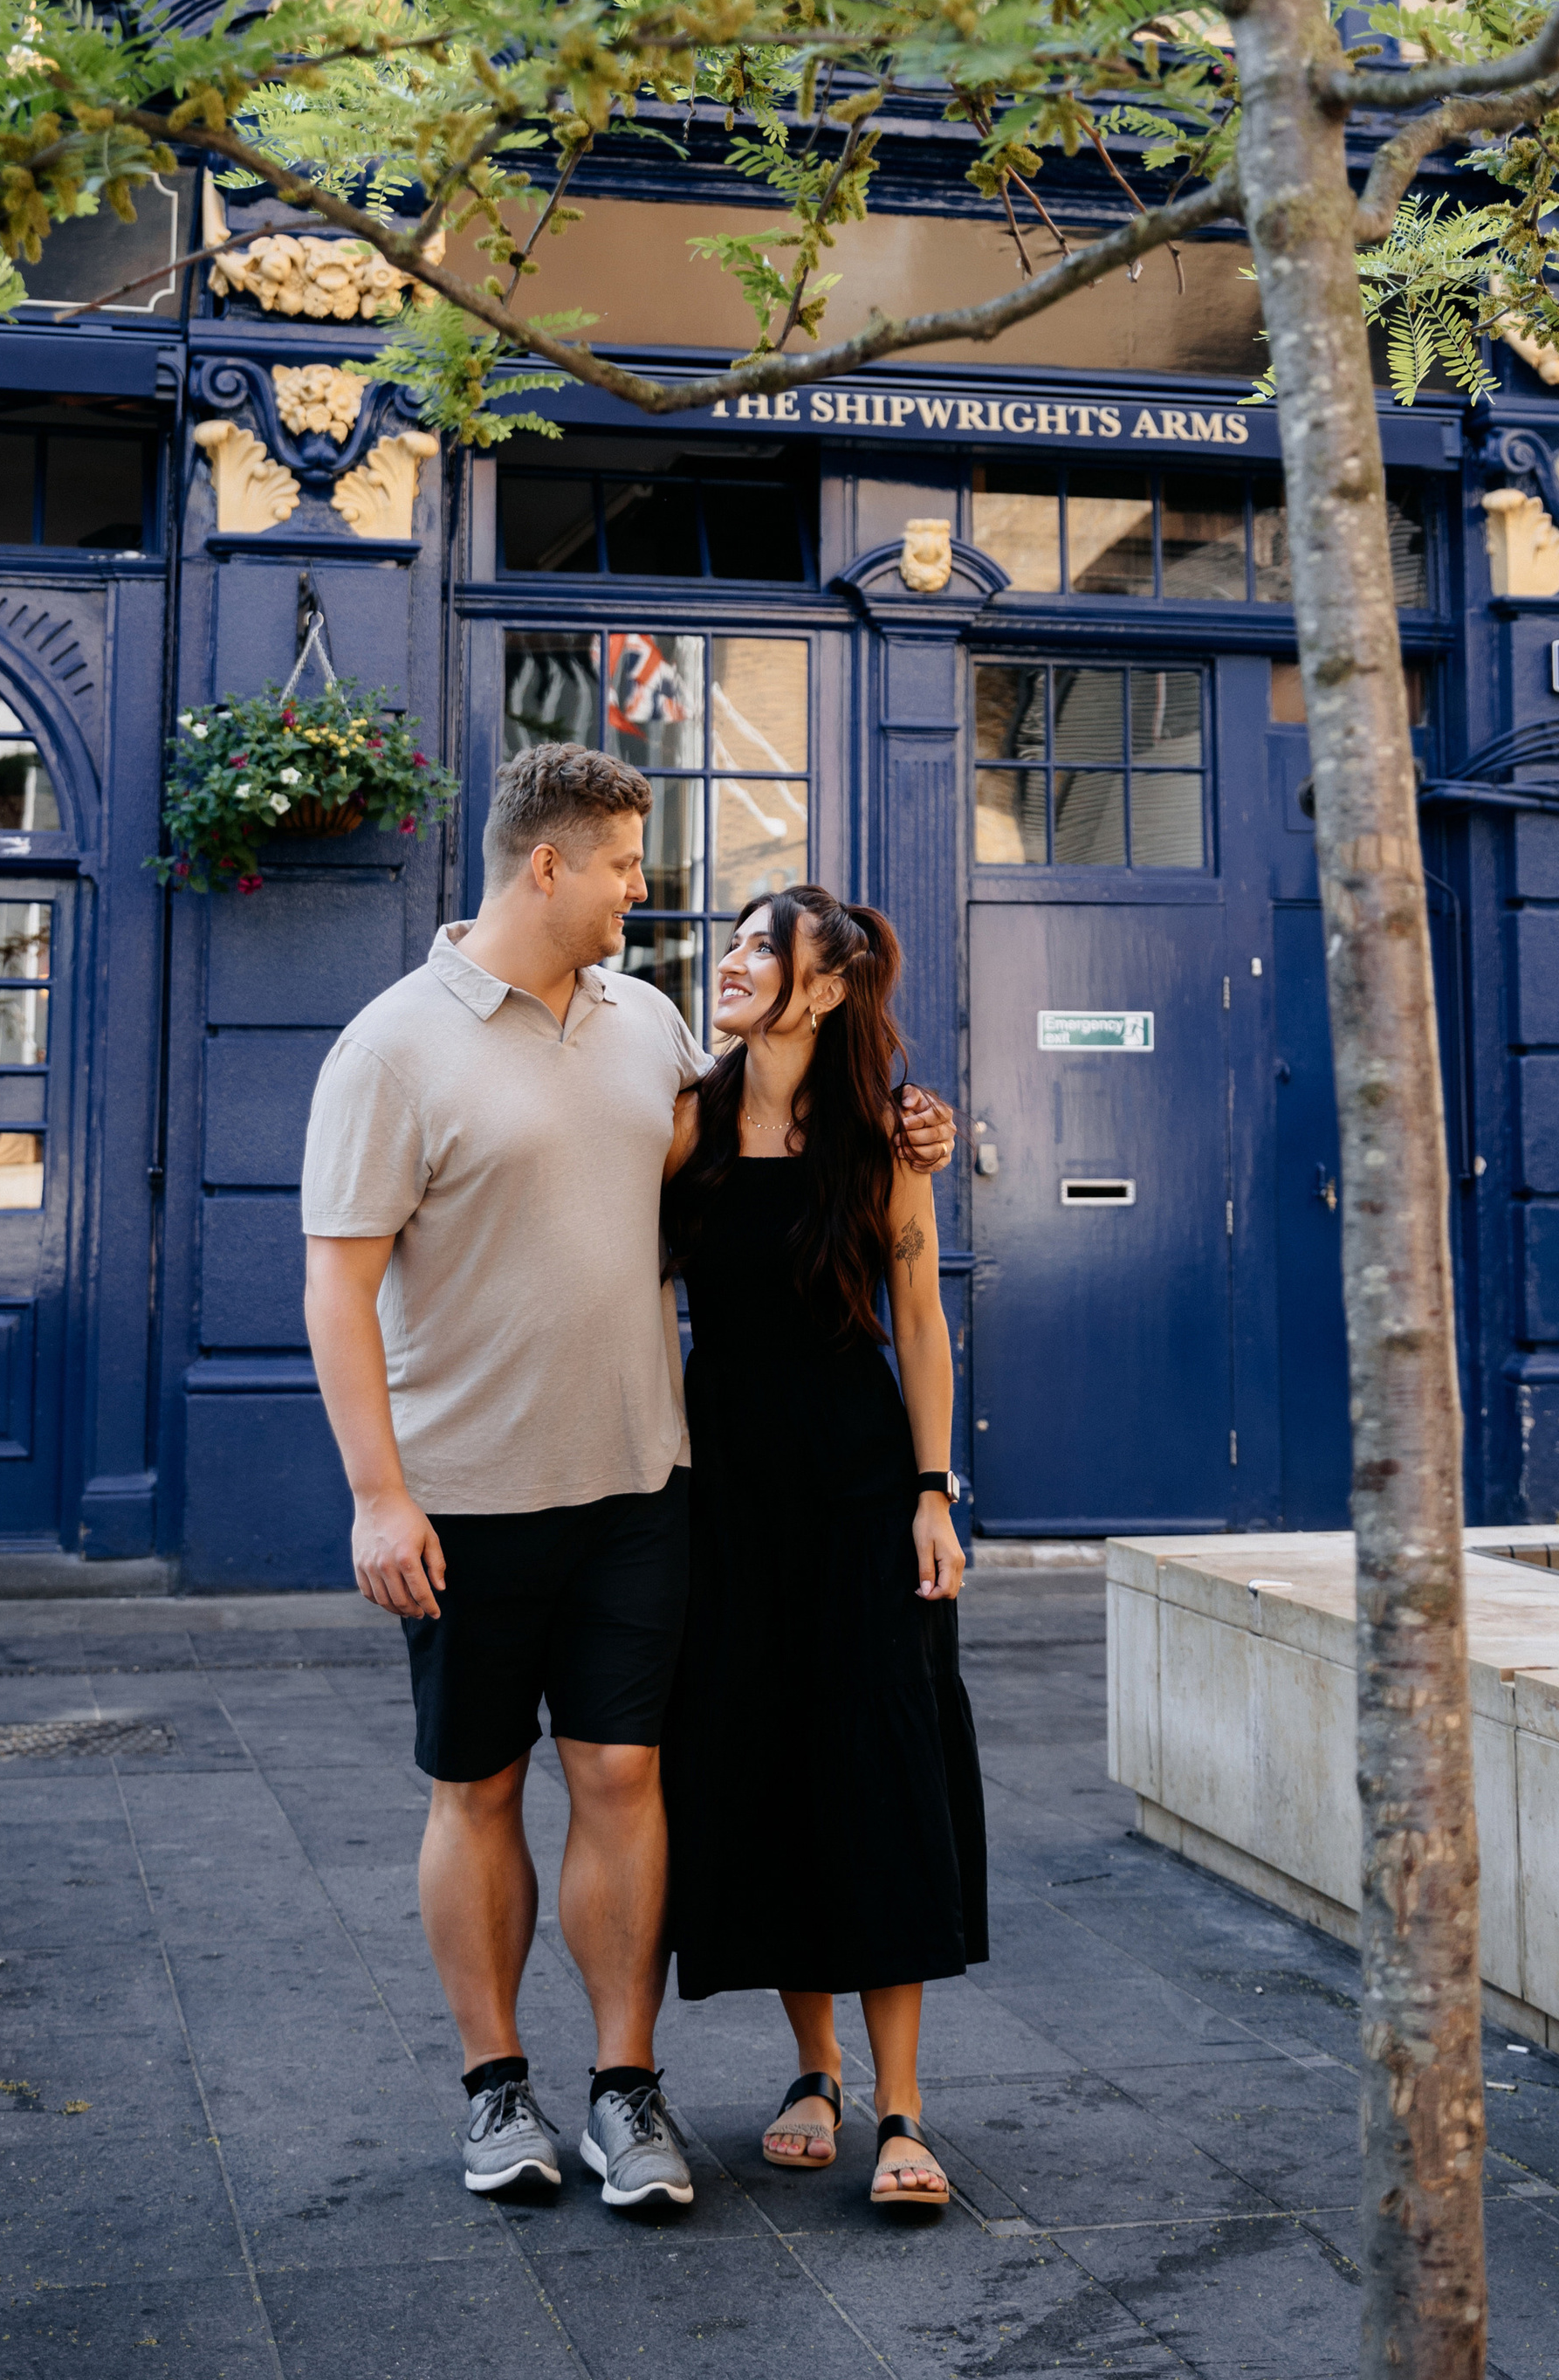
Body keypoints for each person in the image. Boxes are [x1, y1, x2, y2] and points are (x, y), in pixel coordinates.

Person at [299, 745, 956, 2214]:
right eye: (621, 867)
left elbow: (773, 1154)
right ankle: (493, 2090)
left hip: (645, 1487)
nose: (641, 892)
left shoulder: (650, 1024)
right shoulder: (392, 1047)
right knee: (477, 1789)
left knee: (624, 1774)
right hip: (461, 1499)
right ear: (550, 865)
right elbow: (336, 1290)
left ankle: (624, 2086)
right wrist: (377, 1493)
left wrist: (912, 1127)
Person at [659, 887, 988, 2210]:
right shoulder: (683, 1120)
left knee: (879, 1759)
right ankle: (815, 2069)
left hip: (862, 1482)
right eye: (731, 943)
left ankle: (904, 2105)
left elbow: (920, 1319)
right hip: (725, 1484)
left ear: (831, 985)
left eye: (761, 947)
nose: (733, 962)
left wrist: (931, 1491)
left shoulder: (886, 1137)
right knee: (766, 1755)